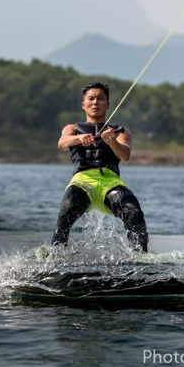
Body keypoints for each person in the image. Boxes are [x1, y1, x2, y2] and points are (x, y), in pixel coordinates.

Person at [51, 81, 149, 252]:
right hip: (82, 181)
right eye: (91, 99)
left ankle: (141, 258)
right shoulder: (73, 128)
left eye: (100, 98)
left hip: (110, 182)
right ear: (84, 104)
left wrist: (112, 143)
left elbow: (125, 154)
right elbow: (61, 143)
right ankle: (55, 256)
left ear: (108, 104)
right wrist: (79, 139)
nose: (95, 102)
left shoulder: (120, 131)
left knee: (133, 212)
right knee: (66, 212)